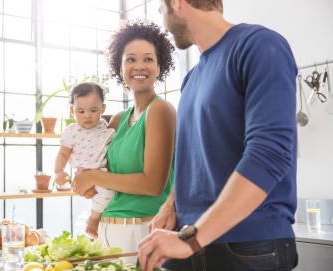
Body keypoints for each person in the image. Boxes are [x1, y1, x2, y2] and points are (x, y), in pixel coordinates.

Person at [138, 1, 299, 271]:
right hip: (190, 240)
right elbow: (195, 158)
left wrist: (192, 239)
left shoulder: (259, 45)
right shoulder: (191, 79)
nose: (162, 21)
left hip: (249, 246)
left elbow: (269, 155)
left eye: (160, 8)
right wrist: (172, 204)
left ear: (177, 3)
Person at [72, 21, 176, 262]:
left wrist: (93, 178)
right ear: (120, 68)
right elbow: (101, 170)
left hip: (142, 231)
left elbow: (152, 184)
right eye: (130, 59)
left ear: (160, 67)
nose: (139, 66)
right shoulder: (118, 120)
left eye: (148, 59)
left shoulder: (160, 110)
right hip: (106, 232)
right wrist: (87, 184)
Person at [54, 82, 115, 239]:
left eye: (93, 110)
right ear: (71, 110)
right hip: (82, 172)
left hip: (102, 172)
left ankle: (94, 217)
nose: (87, 115)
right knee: (98, 195)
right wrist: (59, 171)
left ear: (103, 108)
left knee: (108, 192)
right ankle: (94, 218)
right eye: (80, 111)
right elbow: (63, 153)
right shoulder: (72, 131)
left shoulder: (104, 127)